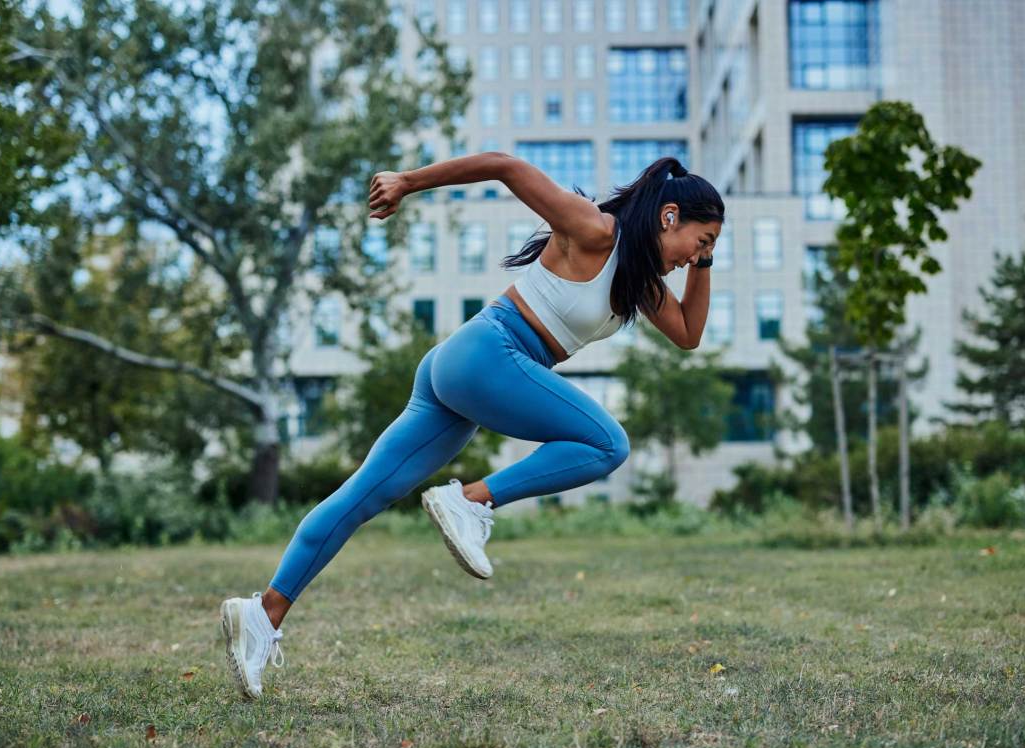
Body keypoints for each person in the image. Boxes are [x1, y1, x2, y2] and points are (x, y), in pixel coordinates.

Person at [220, 152, 724, 699]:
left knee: (362, 496)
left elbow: (689, 334)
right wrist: (407, 182)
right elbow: (505, 166)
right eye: (701, 242)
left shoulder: (638, 282)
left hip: (462, 367)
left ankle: (263, 612)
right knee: (606, 443)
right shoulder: (595, 229)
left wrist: (704, 265)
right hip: (492, 352)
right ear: (669, 216)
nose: (697, 257)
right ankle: (472, 500)